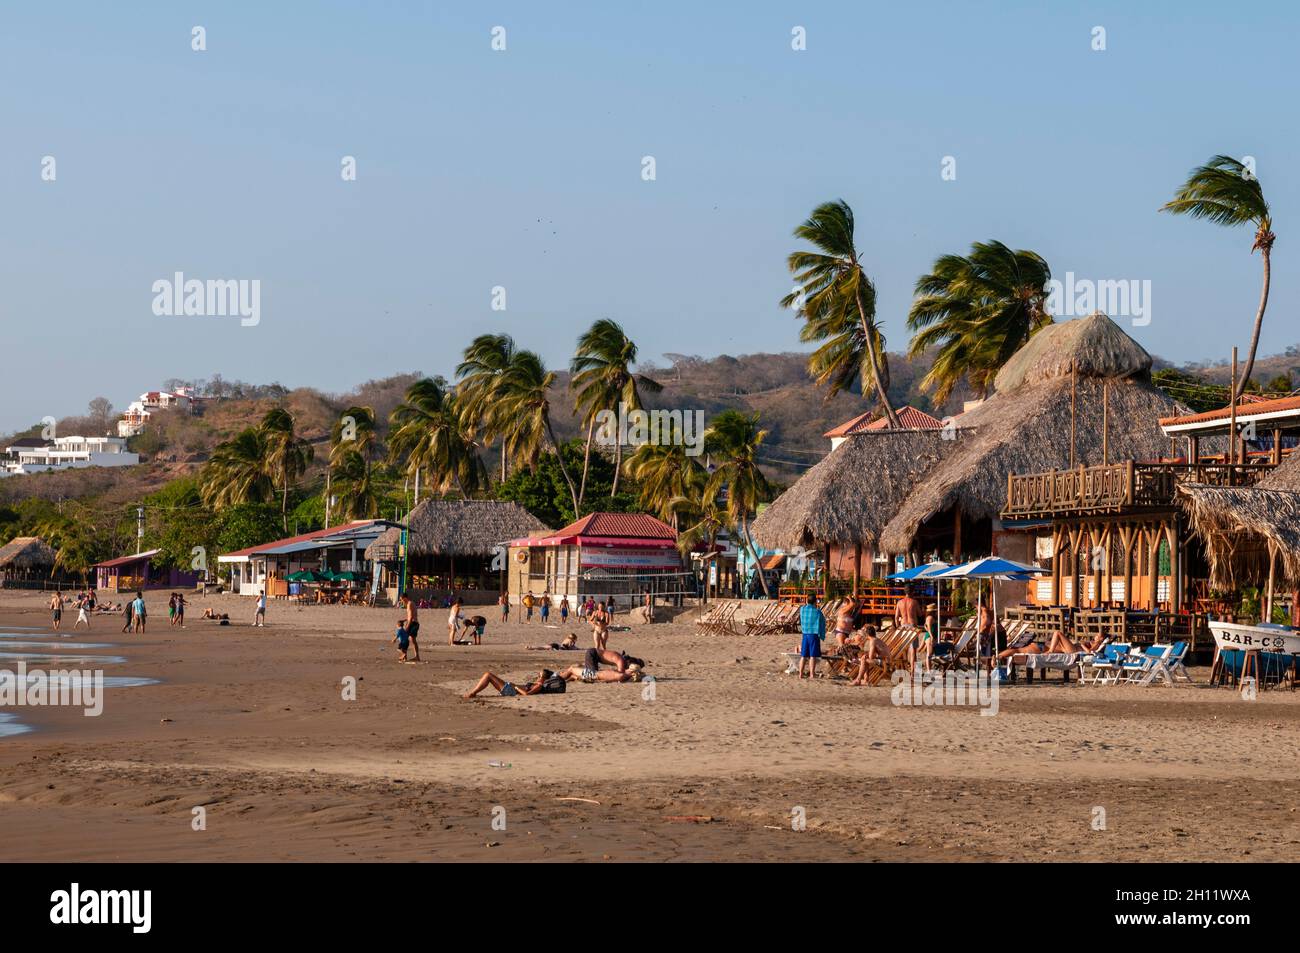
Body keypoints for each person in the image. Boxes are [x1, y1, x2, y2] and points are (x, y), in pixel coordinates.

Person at [463, 667, 571, 699]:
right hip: (512, 689)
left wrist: (515, 687)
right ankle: (473, 692)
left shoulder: (539, 685)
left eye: (540, 676)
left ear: (544, 678)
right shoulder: (538, 684)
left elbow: (527, 694)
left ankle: (473, 693)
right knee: (488, 676)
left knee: (488, 675)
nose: (538, 677)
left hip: (513, 691)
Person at [797, 593, 826, 679]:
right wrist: (822, 634)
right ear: (815, 602)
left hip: (805, 634)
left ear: (807, 601)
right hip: (813, 635)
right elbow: (822, 622)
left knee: (803, 656)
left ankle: (800, 674)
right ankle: (812, 674)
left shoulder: (802, 609)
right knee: (812, 656)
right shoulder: (817, 611)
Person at [401, 593, 421, 662]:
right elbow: (410, 616)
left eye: (402, 600)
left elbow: (411, 617)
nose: (402, 601)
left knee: (406, 639)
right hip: (413, 623)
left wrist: (407, 626)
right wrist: (404, 620)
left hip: (413, 623)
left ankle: (405, 657)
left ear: (404, 598)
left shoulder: (409, 604)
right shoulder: (411, 603)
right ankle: (415, 656)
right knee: (412, 640)